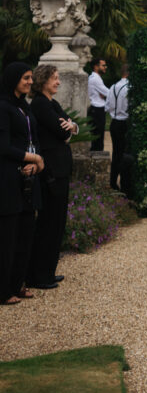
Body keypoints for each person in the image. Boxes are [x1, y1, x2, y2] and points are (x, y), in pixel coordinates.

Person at [27, 64, 78, 289]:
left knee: (57, 222)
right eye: (54, 78)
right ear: (43, 80)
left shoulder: (52, 103)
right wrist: (68, 130)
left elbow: (71, 126)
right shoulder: (40, 104)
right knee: (49, 222)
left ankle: (48, 270)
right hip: (51, 171)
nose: (58, 82)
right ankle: (39, 275)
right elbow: (62, 130)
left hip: (60, 169)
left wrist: (71, 128)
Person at [0, 63, 44, 305]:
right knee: (7, 237)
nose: (30, 82)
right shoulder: (3, 107)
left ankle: (18, 284)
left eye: (31, 78)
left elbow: (33, 139)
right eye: (26, 78)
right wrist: (33, 158)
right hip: (8, 179)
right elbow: (3, 146)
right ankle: (3, 290)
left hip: (28, 178)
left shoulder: (24, 108)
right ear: (13, 79)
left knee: (25, 233)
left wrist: (36, 163)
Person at [105, 65, 129, 191]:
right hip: (125, 123)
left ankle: (113, 183)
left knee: (116, 154)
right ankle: (125, 185)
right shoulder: (129, 87)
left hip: (114, 123)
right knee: (126, 155)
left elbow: (107, 107)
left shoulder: (113, 87)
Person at [87, 58, 108, 152]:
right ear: (96, 67)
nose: (105, 67)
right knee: (97, 138)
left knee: (97, 138)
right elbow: (109, 93)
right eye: (103, 65)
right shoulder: (95, 79)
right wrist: (105, 95)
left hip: (96, 109)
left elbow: (106, 94)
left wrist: (104, 95)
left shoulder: (95, 77)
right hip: (97, 110)